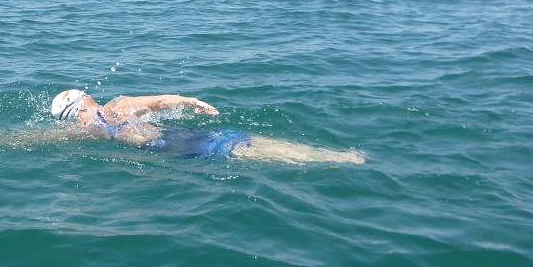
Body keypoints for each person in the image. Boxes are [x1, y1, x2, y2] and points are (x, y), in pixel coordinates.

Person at [49, 89, 365, 164]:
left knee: (247, 152)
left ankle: (332, 157)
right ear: (82, 100)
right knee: (247, 146)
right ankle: (338, 157)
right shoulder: (116, 106)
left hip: (169, 151)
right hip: (184, 140)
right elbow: (158, 102)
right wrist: (191, 101)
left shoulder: (84, 132)